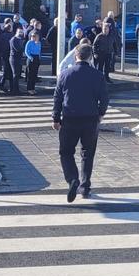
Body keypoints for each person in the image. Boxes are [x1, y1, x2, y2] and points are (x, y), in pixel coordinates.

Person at [52, 42, 109, 202]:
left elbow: (57, 97)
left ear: (76, 56)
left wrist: (56, 118)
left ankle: (72, 179)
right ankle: (84, 187)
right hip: (90, 119)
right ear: (90, 57)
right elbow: (104, 98)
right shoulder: (97, 75)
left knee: (66, 152)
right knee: (87, 154)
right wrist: (101, 114)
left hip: (69, 119)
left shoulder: (65, 74)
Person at [8, 27, 27, 95]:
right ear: (16, 32)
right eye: (19, 32)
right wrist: (24, 51)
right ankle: (14, 90)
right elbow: (17, 49)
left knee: (17, 74)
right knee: (15, 74)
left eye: (22, 32)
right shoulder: (13, 39)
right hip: (14, 58)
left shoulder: (20, 39)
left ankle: (16, 89)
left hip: (18, 58)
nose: (21, 33)